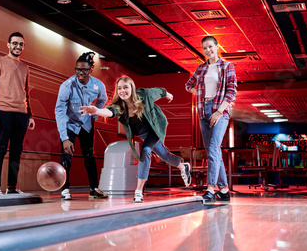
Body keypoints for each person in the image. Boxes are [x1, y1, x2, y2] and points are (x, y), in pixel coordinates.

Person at [80, 75, 191, 203]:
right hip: (144, 132)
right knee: (164, 155)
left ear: (132, 88)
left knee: (146, 151)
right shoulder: (120, 105)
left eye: (125, 87)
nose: (123, 91)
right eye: (119, 88)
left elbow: (158, 91)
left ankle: (138, 191)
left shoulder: (143, 95)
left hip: (155, 127)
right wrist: (97, 111)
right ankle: (183, 166)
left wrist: (167, 94)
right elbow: (111, 112)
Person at [185, 36, 237, 203]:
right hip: (203, 111)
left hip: (220, 111)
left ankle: (210, 189)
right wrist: (200, 93)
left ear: (217, 46)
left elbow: (231, 91)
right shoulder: (201, 68)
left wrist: (219, 111)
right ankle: (223, 190)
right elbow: (188, 85)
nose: (208, 50)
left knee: (213, 148)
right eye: (204, 48)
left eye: (210, 47)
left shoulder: (227, 66)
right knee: (213, 152)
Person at [0, 32, 35, 195]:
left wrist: (30, 115)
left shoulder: (25, 67)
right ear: (8, 44)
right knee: (0, 149)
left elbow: (26, 93)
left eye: (21, 44)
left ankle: (12, 187)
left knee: (16, 152)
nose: (18, 46)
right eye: (15, 43)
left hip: (21, 114)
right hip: (3, 112)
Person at [55, 52, 108, 200]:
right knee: (67, 154)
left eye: (84, 70)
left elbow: (103, 99)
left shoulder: (98, 85)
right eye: (78, 69)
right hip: (69, 123)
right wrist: (64, 137)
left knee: (89, 155)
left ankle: (94, 188)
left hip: (86, 123)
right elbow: (59, 110)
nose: (80, 73)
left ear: (91, 69)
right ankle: (64, 190)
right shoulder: (67, 85)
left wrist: (94, 115)